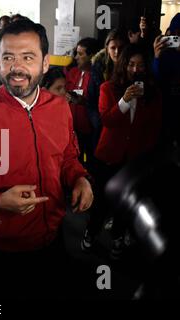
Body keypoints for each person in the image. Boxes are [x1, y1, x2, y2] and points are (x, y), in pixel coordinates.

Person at [0, 19, 93, 299]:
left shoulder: (60, 107)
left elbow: (68, 156)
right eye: (8, 57)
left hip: (53, 239)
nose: (17, 67)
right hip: (2, 253)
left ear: (45, 63)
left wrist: (79, 178)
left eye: (28, 57)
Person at [81, 44, 162, 259]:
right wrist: (124, 100)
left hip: (134, 159)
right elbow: (107, 120)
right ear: (123, 64)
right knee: (102, 201)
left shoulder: (152, 93)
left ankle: (117, 236)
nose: (135, 70)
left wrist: (145, 157)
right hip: (108, 156)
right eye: (131, 64)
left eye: (141, 65)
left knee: (126, 204)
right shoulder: (108, 88)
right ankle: (91, 232)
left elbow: (154, 127)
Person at [87, 29, 128, 151]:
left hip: (124, 124)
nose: (117, 52)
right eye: (113, 48)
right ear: (107, 49)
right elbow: (91, 100)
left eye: (121, 47)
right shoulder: (98, 69)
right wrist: (98, 123)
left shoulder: (132, 68)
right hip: (102, 124)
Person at [64, 37, 100, 166]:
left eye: (80, 54)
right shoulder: (72, 72)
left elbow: (98, 103)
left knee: (89, 160)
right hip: (72, 126)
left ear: (91, 56)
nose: (76, 57)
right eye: (76, 53)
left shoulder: (97, 77)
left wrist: (83, 101)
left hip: (90, 128)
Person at [153, 13, 180, 142]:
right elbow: (155, 79)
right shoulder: (165, 52)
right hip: (164, 103)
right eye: (176, 33)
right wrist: (157, 57)